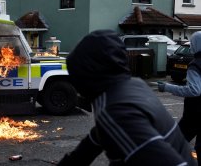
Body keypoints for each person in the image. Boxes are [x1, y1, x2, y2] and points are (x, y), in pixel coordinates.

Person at [58, 30, 196, 165]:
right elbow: (98, 137)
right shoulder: (133, 85)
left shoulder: (115, 111)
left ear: (87, 75)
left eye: (76, 76)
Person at [158, 31, 201, 165]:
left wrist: (166, 87)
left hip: (195, 114)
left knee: (173, 143)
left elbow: (194, 90)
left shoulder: (196, 64)